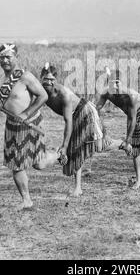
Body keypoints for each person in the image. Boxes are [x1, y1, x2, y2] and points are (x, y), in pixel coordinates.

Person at [0, 43, 58, 210]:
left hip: (30, 123)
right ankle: (27, 200)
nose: (5, 60)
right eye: (2, 57)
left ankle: (58, 154)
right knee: (16, 166)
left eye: (8, 57)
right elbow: (6, 100)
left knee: (39, 164)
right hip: (12, 126)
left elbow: (42, 96)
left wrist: (26, 114)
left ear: (16, 57)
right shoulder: (3, 79)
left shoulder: (25, 76)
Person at [40, 63, 103, 197]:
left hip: (85, 112)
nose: (49, 82)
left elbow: (68, 122)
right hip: (74, 115)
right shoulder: (40, 91)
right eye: (46, 79)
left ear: (56, 80)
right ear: (41, 78)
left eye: (52, 80)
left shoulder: (63, 94)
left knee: (98, 146)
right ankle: (78, 186)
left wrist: (64, 146)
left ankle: (122, 144)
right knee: (77, 148)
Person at [95, 69, 140, 189]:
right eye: (111, 83)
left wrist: (128, 141)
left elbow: (132, 119)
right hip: (134, 117)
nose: (114, 86)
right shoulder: (106, 93)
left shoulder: (131, 96)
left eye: (117, 83)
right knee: (137, 148)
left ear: (123, 83)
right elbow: (96, 109)